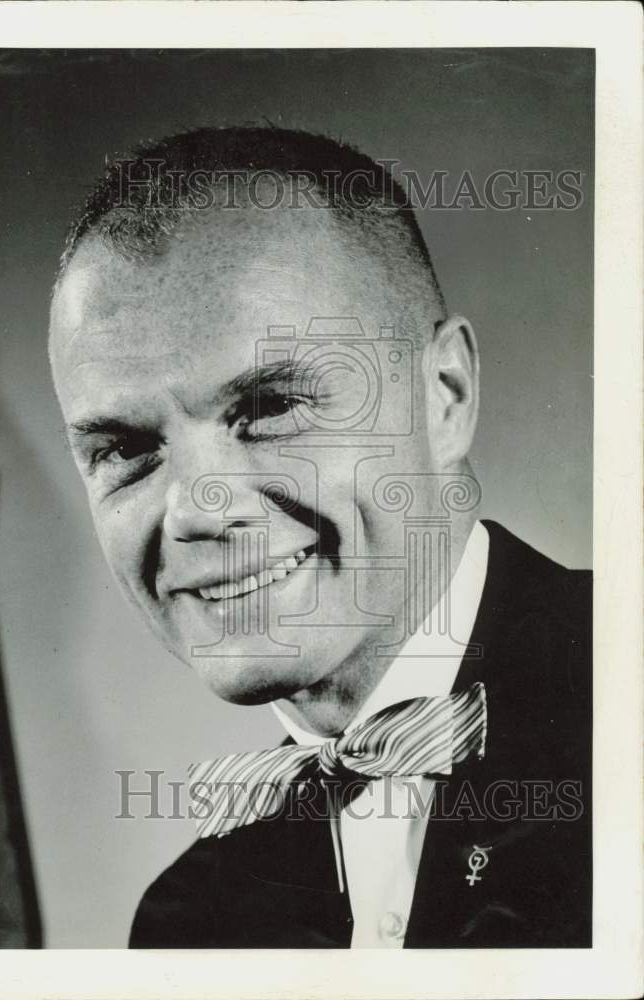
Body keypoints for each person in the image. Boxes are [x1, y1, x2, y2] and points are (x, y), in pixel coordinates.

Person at [48, 126, 591, 948]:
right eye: (125, 449)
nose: (198, 510)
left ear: (444, 397)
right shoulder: (186, 925)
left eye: (269, 408)